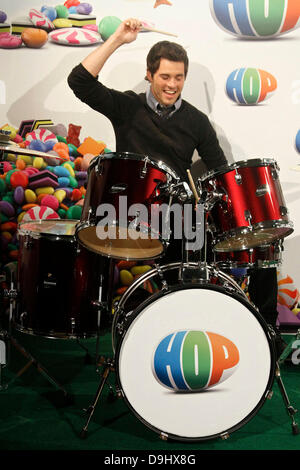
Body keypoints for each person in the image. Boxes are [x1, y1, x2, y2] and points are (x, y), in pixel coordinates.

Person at [67, 18, 284, 358]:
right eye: (165, 77)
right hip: (130, 212)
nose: (172, 85)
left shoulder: (196, 121)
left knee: (259, 246)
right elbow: (78, 81)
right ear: (149, 75)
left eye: (179, 77)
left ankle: (262, 336)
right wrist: (119, 40)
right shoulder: (126, 107)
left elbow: (219, 170)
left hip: (178, 216)